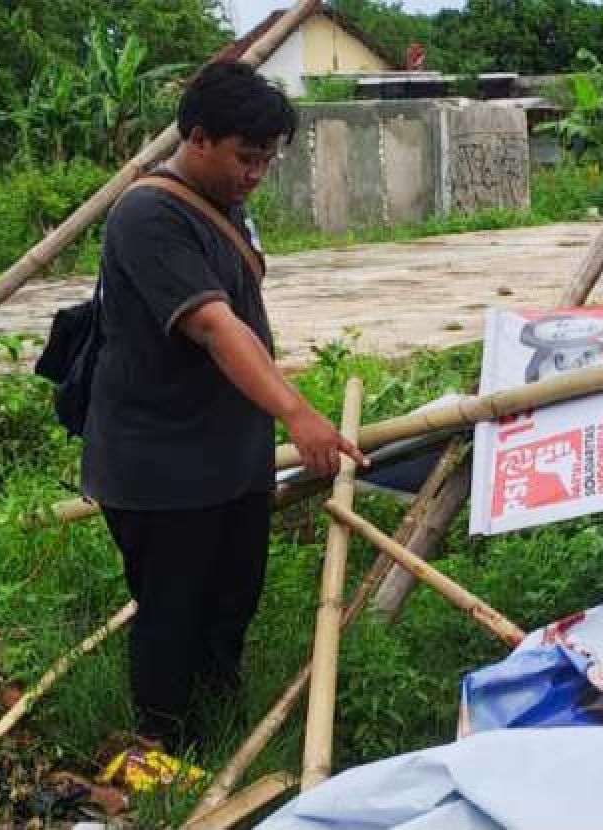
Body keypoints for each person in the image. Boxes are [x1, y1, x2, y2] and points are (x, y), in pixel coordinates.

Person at [81, 61, 367, 749]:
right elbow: (213, 324)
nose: (255, 174)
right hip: (162, 465)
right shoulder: (149, 214)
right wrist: (297, 412)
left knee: (228, 605)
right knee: (172, 614)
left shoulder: (226, 206)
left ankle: (218, 731)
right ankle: (162, 748)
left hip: (227, 458)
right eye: (246, 157)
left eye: (266, 161)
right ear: (198, 136)